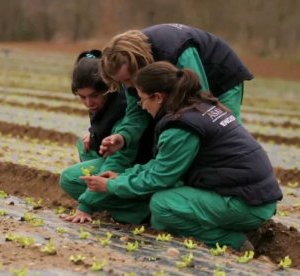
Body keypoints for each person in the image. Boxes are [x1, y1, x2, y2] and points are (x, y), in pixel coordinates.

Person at [81, 61, 282, 251]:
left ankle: (232, 240)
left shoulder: (181, 126)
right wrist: (122, 177)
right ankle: (237, 227)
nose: (142, 106)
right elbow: (161, 164)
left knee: (162, 206)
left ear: (158, 97)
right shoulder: (200, 106)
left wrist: (111, 186)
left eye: (142, 99)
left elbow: (159, 177)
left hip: (246, 204)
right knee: (166, 205)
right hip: (255, 197)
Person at [99, 23, 253, 157]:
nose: (129, 85)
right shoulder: (131, 75)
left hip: (221, 77)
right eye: (122, 82)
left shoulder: (175, 50)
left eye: (129, 79)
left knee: (223, 132)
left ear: (140, 63)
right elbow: (136, 113)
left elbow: (199, 100)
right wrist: (123, 136)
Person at [59, 50, 151, 224]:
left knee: (69, 179)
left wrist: (84, 206)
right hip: (118, 159)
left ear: (109, 89)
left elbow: (119, 159)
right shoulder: (106, 106)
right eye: (82, 97)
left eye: (94, 96)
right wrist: (93, 135)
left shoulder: (124, 110)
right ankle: (108, 201)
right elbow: (101, 127)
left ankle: (137, 210)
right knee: (84, 143)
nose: (88, 103)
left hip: (134, 163)